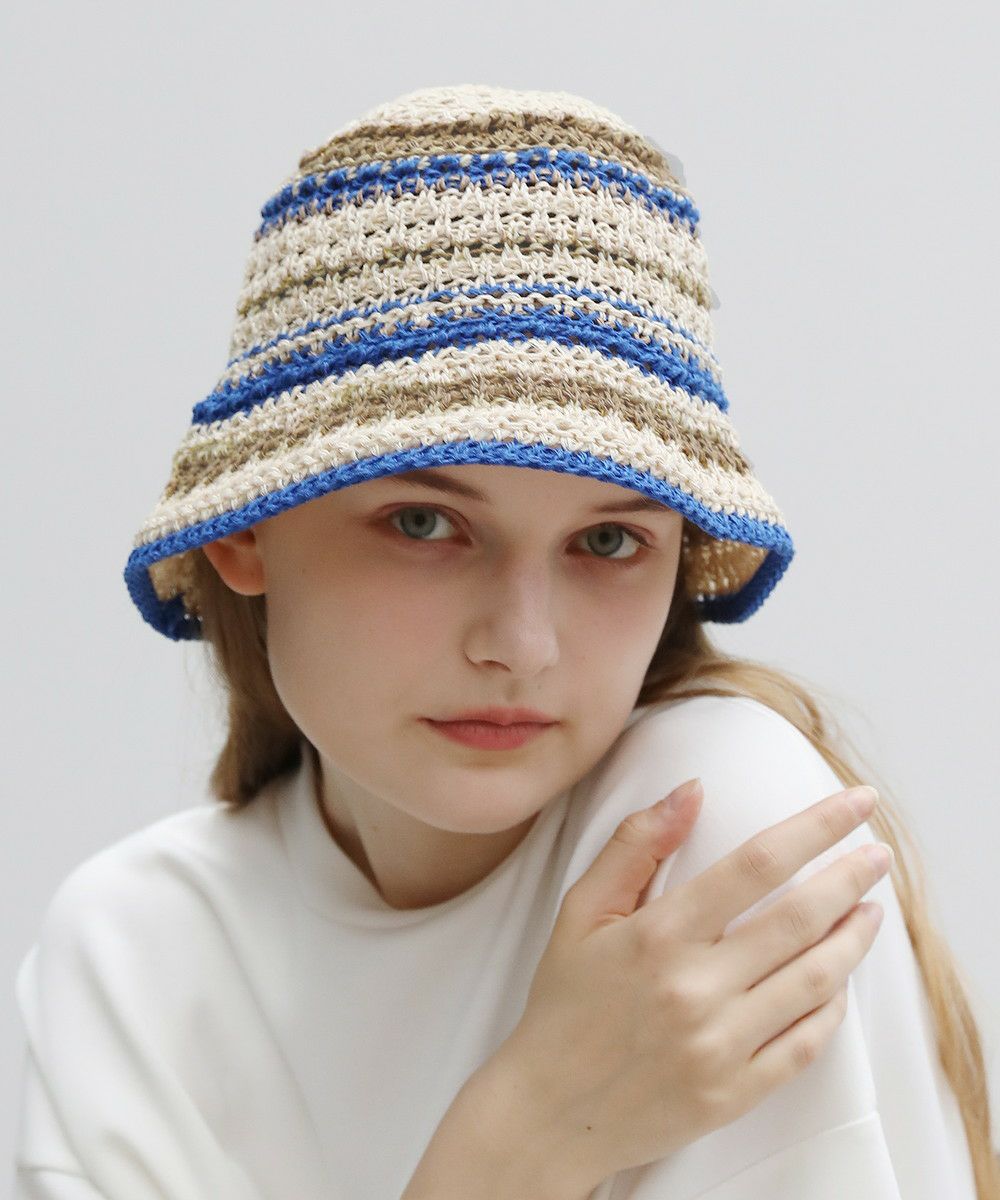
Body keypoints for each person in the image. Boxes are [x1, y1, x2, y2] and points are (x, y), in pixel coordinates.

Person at [11, 84, 994, 1199]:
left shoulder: (713, 838)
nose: (521, 646)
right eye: (424, 524)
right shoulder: (132, 952)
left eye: (608, 541)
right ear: (245, 532)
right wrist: (527, 1131)